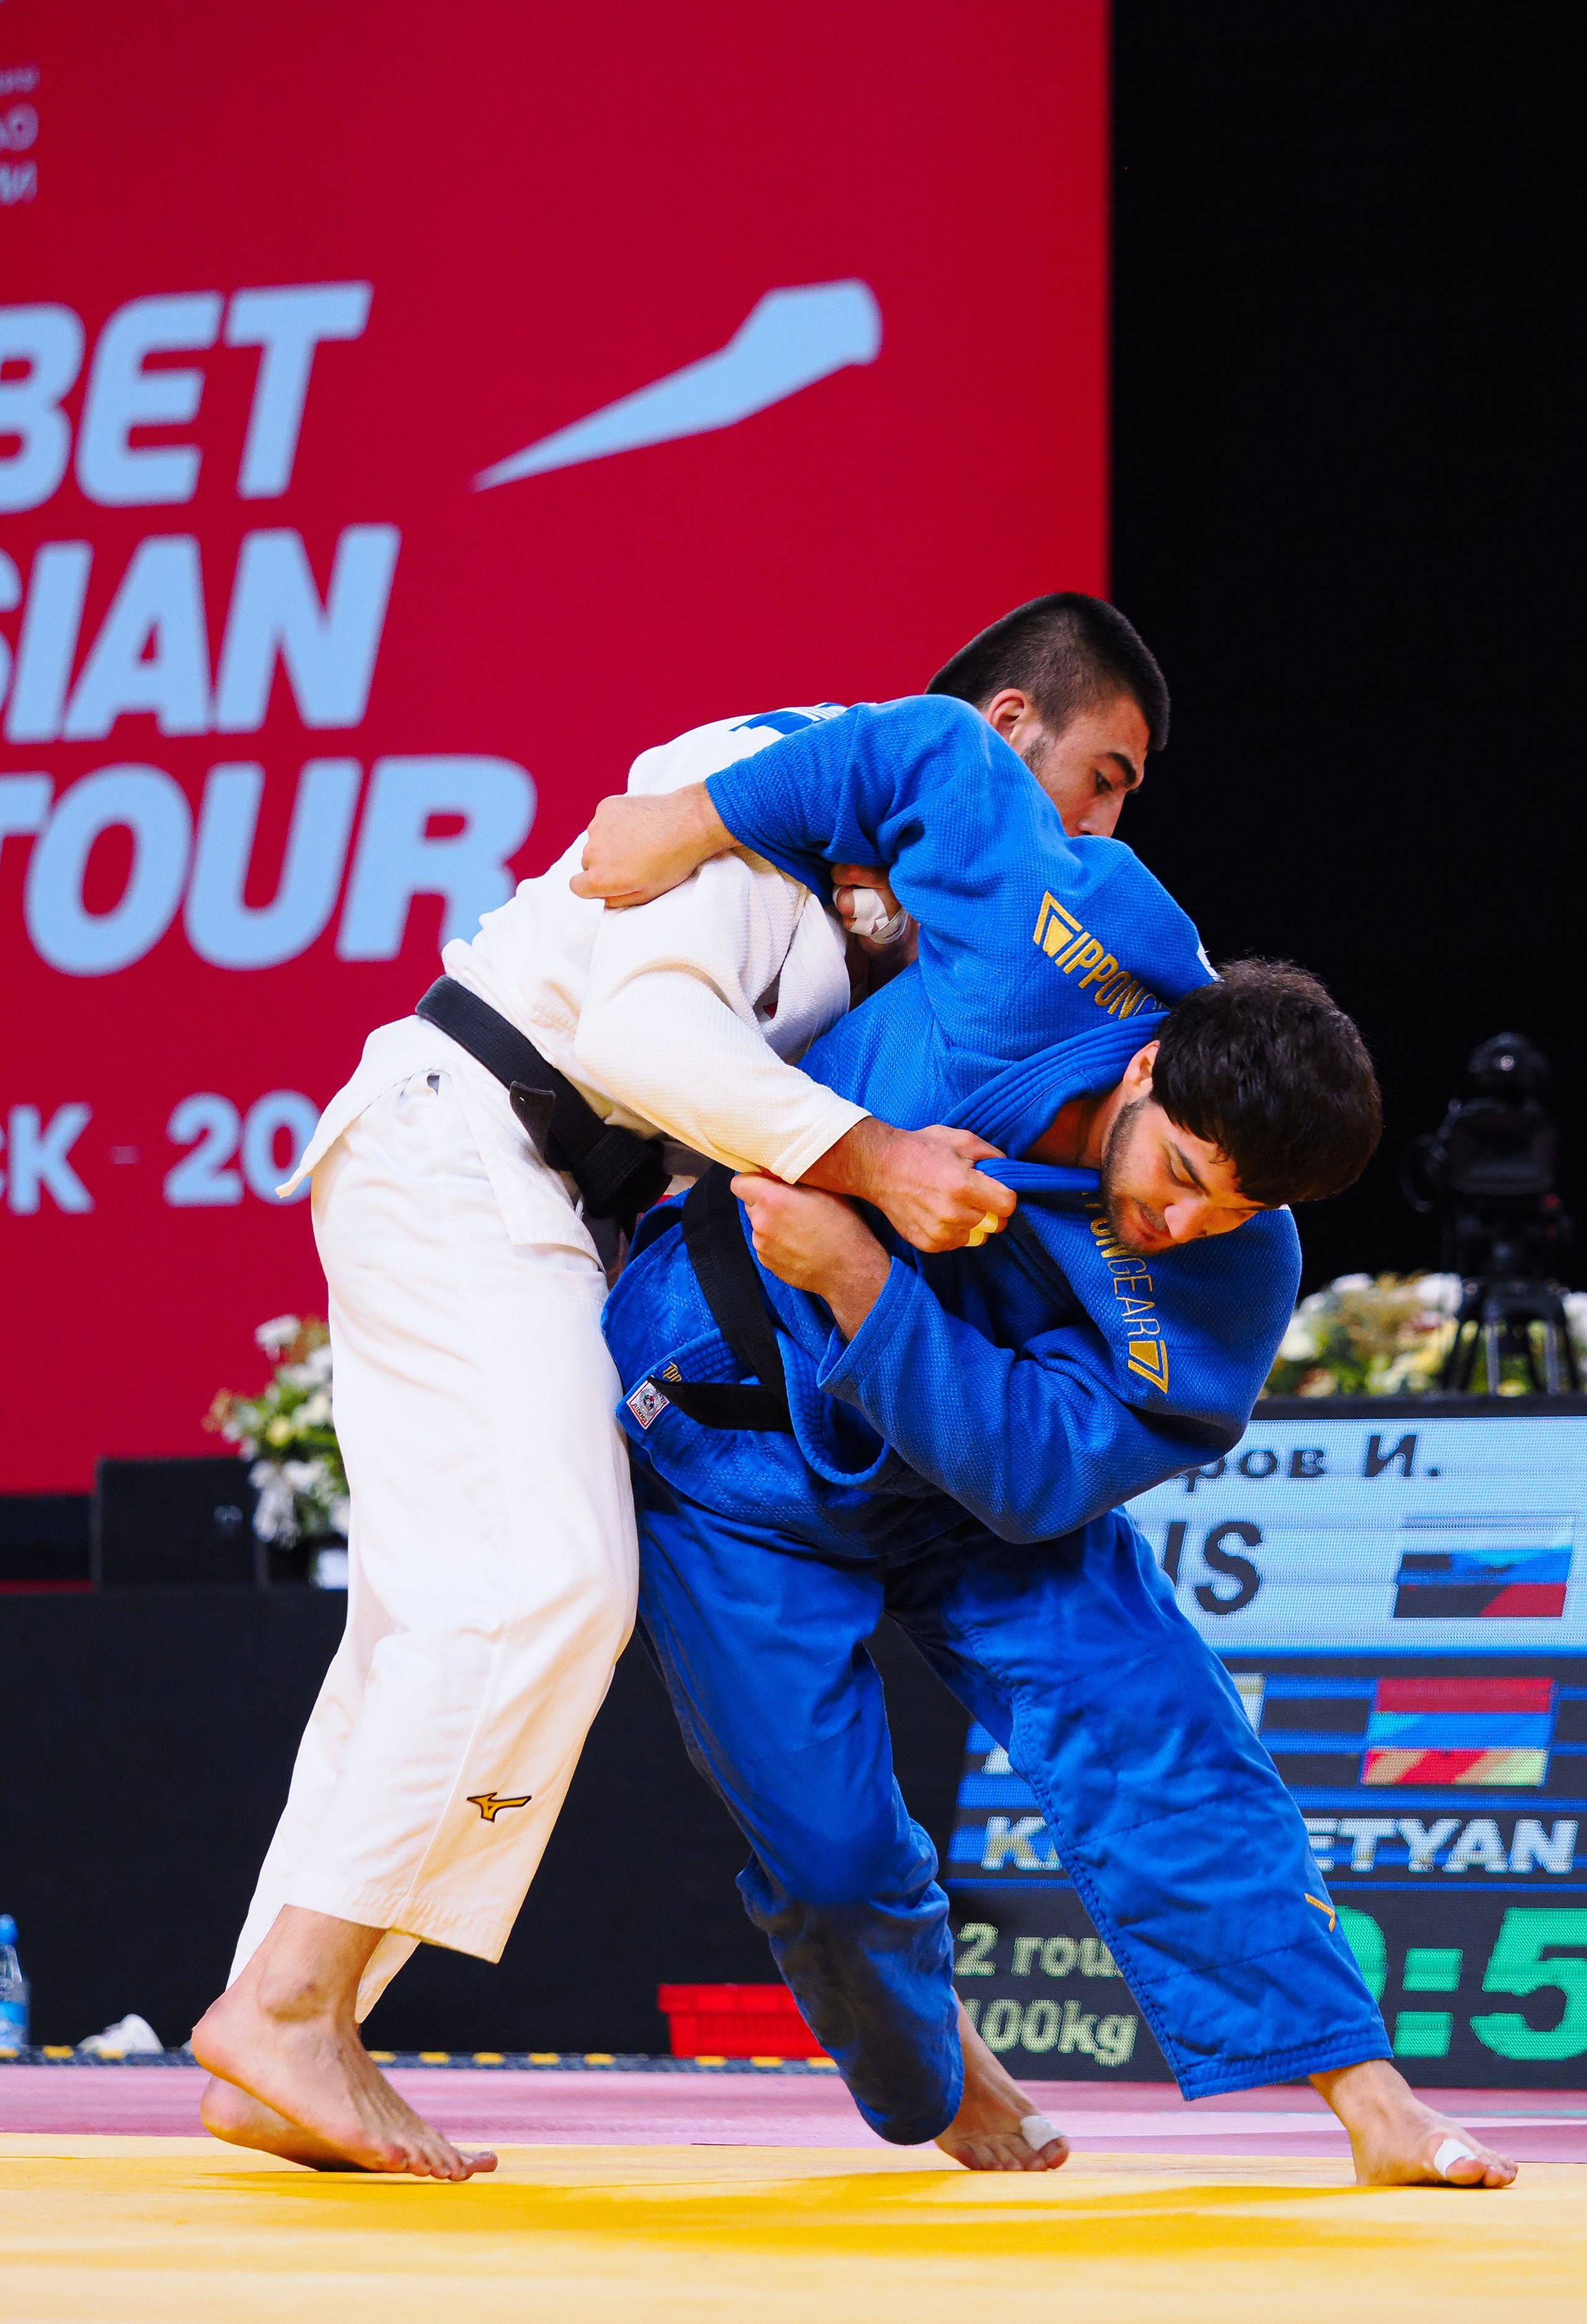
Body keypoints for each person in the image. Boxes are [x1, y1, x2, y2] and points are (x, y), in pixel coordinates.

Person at [190, 594, 1170, 2178]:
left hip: (524, 1198)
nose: (1106, 818)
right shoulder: (763, 777)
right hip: (468, 1141)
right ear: (1003, 731)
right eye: (1105, 774)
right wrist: (871, 1159)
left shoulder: (898, 910)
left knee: (432, 1614)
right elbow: (647, 1039)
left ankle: (281, 2017)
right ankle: (294, 2005)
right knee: (553, 1584)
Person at [575, 697, 1518, 2190]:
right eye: (1184, 1174)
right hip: (726, 1436)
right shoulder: (1064, 937)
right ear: (1147, 1070)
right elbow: (925, 749)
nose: (1182, 1223)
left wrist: (862, 1278)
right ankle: (938, 2074)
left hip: (973, 1492)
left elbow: (1034, 1473)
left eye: (1234, 1209)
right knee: (827, 1856)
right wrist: (687, 822)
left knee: (1161, 1728)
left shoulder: (1232, 1275)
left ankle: (1367, 2098)